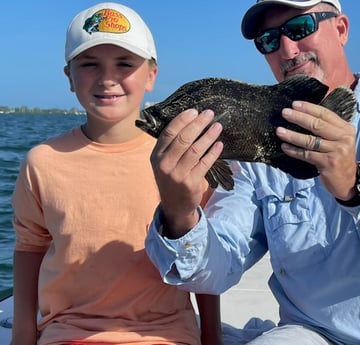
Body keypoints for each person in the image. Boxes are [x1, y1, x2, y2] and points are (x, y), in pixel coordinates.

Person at [144, 0, 360, 344]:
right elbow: (218, 266)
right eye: (268, 40)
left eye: (299, 29)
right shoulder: (253, 160)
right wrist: (179, 213)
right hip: (316, 334)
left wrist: (358, 185)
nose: (287, 49)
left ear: (341, 29)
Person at [10, 2, 221, 345]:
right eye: (89, 64)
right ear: (69, 77)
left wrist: (211, 336)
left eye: (125, 64)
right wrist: (23, 335)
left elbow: (204, 257)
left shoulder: (182, 158)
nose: (107, 78)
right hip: (69, 333)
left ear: (152, 74)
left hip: (166, 334)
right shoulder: (42, 162)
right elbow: (30, 247)